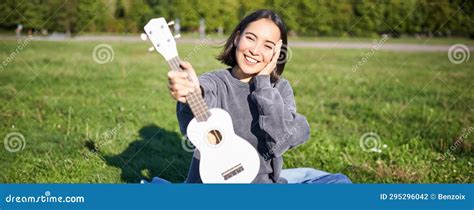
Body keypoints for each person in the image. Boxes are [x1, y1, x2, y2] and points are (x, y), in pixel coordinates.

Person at [160, 9, 351, 184]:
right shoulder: (214, 82)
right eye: (250, 38)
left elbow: (280, 142)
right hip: (213, 185)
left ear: (276, 54)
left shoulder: (280, 88)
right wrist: (190, 93)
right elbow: (195, 116)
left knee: (340, 184)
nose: (255, 50)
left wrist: (263, 84)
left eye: (268, 46)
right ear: (237, 38)